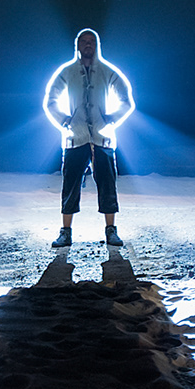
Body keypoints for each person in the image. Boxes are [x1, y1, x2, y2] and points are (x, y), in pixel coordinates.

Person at [42, 28, 135, 248]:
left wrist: (111, 118)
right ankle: (66, 232)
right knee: (70, 185)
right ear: (77, 45)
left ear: (97, 45)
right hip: (76, 137)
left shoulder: (107, 71)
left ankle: (111, 230)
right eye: (83, 41)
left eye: (91, 41)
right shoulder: (67, 72)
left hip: (102, 138)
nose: (87, 45)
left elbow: (126, 99)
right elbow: (51, 99)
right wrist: (64, 119)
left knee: (108, 185)